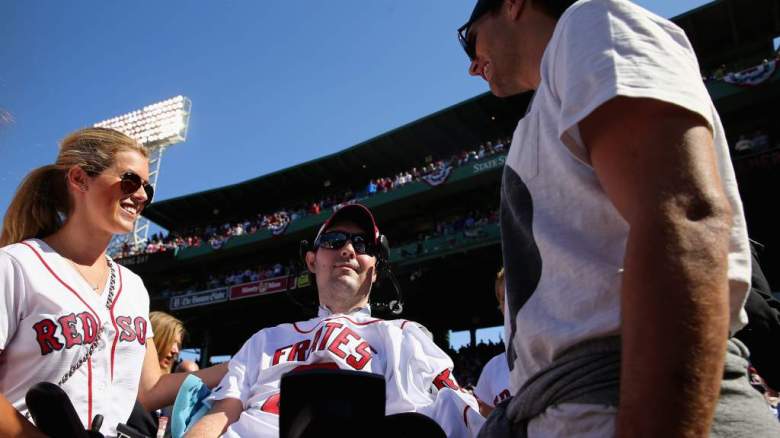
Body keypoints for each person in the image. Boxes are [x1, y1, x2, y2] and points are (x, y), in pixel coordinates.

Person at [458, 0, 780, 436]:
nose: (472, 67)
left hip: (626, 401)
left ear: (512, 4)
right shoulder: (545, 103)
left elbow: (683, 216)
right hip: (569, 406)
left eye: (468, 40)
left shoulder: (589, 23)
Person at [0, 127, 227, 437]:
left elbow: (150, 389)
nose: (142, 195)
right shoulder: (15, 265)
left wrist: (247, 361)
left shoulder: (132, 286)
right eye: (130, 180)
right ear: (79, 178)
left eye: (148, 187)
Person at [185, 204, 484, 437]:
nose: (348, 249)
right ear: (312, 261)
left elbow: (461, 410)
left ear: (375, 270)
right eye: (334, 240)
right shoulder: (264, 340)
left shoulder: (405, 336)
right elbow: (222, 414)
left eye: (363, 244)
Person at [474, 268, 511, 417]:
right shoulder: (492, 369)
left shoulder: (560, 351)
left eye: (513, 294)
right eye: (503, 299)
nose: (508, 304)